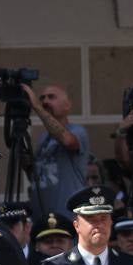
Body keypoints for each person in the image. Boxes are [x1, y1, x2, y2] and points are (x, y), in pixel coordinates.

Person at [24, 84, 89, 220]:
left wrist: (37, 107)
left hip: (67, 217)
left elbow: (67, 141)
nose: (45, 101)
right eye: (42, 98)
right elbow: (34, 174)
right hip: (42, 218)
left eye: (51, 97)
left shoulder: (78, 131)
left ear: (67, 105)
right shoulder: (43, 138)